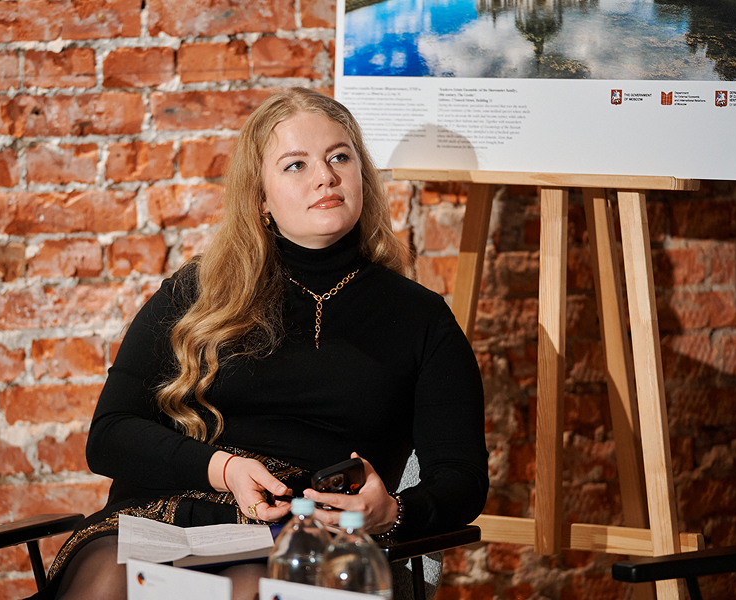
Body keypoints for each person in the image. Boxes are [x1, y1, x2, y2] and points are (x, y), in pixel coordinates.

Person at [36, 87, 489, 600]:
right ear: (261, 198)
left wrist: (393, 512)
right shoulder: (196, 291)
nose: (325, 177)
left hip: (302, 534)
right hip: (167, 515)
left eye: (340, 157)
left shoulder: (421, 318)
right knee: (111, 581)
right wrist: (223, 469)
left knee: (253, 587)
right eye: (296, 165)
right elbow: (110, 434)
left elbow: (462, 478)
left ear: (362, 174)